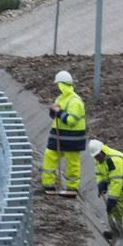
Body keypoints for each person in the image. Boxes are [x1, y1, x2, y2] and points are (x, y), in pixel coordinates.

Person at [41, 69, 87, 197]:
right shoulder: (60, 98)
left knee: (72, 164)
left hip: (72, 140)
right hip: (58, 138)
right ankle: (48, 185)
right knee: (49, 158)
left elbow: (71, 120)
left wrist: (59, 112)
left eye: (58, 85)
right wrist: (53, 111)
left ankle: (72, 189)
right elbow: (55, 115)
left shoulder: (75, 101)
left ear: (62, 84)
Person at [88, 139, 123, 240]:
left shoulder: (113, 160)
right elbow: (99, 174)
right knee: (111, 207)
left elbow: (116, 181)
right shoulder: (99, 159)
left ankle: (119, 231)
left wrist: (112, 199)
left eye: (98, 156)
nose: (97, 158)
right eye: (95, 156)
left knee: (116, 205)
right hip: (120, 181)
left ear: (102, 151)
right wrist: (101, 184)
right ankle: (115, 230)